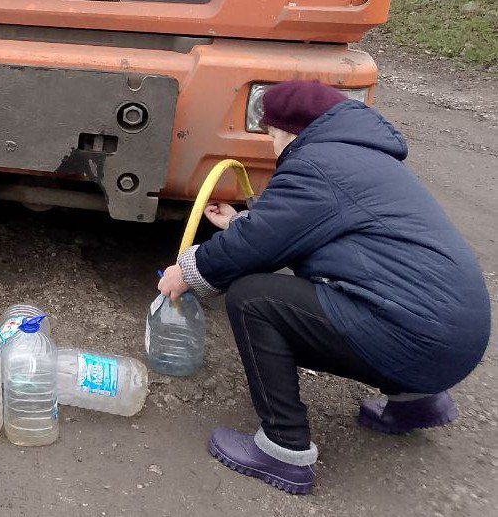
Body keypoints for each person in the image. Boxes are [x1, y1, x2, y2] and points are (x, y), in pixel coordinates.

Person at [158, 80, 490, 495]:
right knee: (381, 296)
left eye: (271, 136)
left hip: (418, 340)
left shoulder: (315, 164)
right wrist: (238, 223)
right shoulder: (360, 157)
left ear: (287, 130)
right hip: (457, 338)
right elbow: (314, 230)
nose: (271, 146)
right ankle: (415, 403)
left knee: (253, 297)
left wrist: (186, 272)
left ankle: (283, 450)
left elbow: (261, 244)